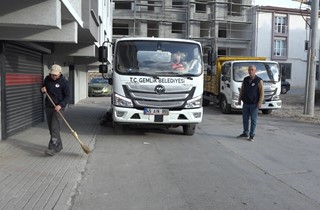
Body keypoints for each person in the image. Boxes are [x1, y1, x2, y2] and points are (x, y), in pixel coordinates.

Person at [40, 64, 70, 156]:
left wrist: (60, 105)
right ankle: (59, 145)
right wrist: (42, 89)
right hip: (49, 106)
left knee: (54, 128)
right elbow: (42, 88)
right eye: (52, 74)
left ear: (60, 73)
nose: (54, 76)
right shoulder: (47, 79)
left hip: (58, 108)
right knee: (52, 129)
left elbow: (68, 96)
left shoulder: (64, 82)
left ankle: (52, 148)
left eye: (56, 75)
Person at [237, 65, 264, 142]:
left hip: (254, 104)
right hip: (246, 103)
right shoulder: (245, 79)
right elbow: (242, 90)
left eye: (252, 70)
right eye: (249, 70)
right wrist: (239, 100)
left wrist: (260, 102)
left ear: (255, 71)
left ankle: (252, 135)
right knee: (245, 119)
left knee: (253, 120)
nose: (250, 71)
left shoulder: (259, 81)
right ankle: (245, 133)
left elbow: (262, 93)